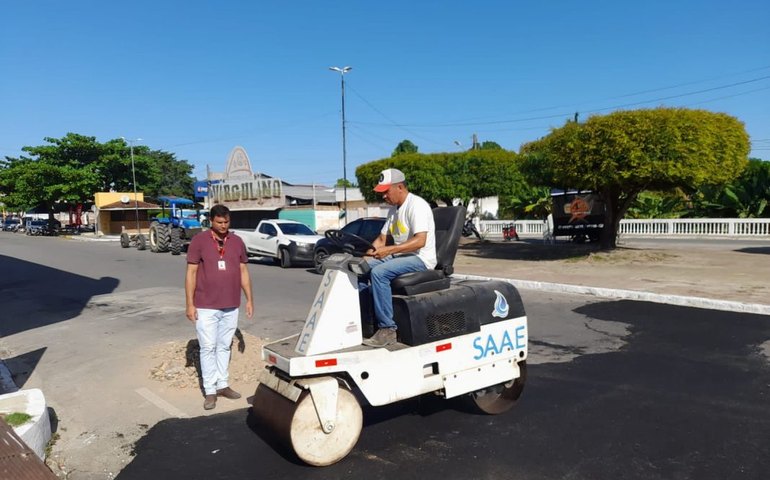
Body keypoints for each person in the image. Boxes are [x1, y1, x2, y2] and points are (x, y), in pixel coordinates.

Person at [185, 204, 253, 410]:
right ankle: (210, 390)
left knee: (224, 346)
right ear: (211, 221)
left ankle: (223, 385)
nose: (224, 226)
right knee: (208, 347)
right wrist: (189, 304)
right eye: (219, 222)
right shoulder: (199, 241)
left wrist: (249, 299)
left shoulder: (237, 242)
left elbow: (243, 271)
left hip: (231, 305)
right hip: (206, 305)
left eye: (227, 222)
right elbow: (191, 274)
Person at [360, 168, 436, 347]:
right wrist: (362, 257)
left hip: (421, 258)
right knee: (359, 270)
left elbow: (420, 241)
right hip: (401, 256)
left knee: (379, 273)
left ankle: (388, 329)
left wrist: (389, 250)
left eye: (386, 192)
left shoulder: (417, 205)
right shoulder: (393, 210)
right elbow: (380, 240)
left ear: (400, 187)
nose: (383, 197)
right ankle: (367, 322)